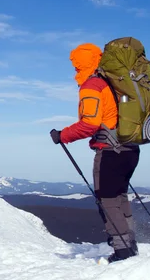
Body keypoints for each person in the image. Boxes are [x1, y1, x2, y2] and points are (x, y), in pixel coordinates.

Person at [49, 42, 140, 263]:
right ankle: (129, 243)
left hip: (110, 151)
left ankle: (122, 250)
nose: (73, 68)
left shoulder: (93, 85)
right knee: (119, 197)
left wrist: (63, 135)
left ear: (82, 62)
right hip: (130, 148)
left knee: (108, 201)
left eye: (75, 64)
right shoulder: (115, 83)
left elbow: (90, 124)